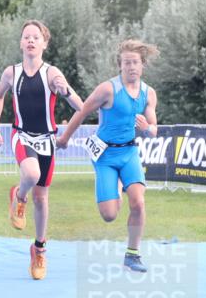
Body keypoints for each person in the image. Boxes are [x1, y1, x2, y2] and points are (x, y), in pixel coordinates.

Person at [0, 20, 83, 280]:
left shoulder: (52, 73)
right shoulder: (11, 73)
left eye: (36, 37)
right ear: (21, 43)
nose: (31, 40)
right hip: (21, 134)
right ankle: (19, 197)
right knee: (30, 174)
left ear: (44, 43)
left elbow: (77, 102)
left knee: (42, 198)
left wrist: (66, 92)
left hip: (47, 140)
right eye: (26, 37)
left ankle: (39, 248)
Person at [57, 39, 158, 273]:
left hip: (130, 152)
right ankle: (113, 188)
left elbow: (154, 129)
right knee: (109, 215)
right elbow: (81, 112)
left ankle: (132, 255)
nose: (131, 67)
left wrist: (147, 129)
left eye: (135, 62)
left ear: (142, 65)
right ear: (120, 65)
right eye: (126, 63)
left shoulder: (148, 94)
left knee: (139, 202)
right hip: (105, 155)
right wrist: (64, 139)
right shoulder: (107, 89)